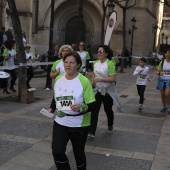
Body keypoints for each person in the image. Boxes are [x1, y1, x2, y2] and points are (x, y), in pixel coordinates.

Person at [49, 51, 95, 170]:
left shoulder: (84, 81)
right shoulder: (58, 79)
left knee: (78, 154)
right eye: (66, 62)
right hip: (60, 122)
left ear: (78, 65)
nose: (68, 65)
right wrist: (51, 108)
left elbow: (92, 105)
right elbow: (56, 97)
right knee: (57, 151)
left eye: (72, 63)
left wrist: (81, 107)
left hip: (79, 124)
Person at [88, 45, 117, 138]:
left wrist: (100, 80)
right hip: (98, 91)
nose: (99, 53)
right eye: (98, 51)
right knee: (94, 110)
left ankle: (110, 124)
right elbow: (93, 74)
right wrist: (93, 81)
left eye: (101, 52)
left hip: (108, 91)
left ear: (106, 53)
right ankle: (92, 132)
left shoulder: (110, 64)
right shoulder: (95, 63)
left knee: (107, 109)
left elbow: (112, 78)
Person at [156, 48, 170, 113]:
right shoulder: (162, 62)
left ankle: (168, 107)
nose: (168, 54)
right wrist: (159, 73)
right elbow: (157, 71)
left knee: (167, 94)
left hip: (169, 80)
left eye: (169, 53)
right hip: (162, 79)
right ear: (165, 54)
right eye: (166, 53)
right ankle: (164, 107)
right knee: (162, 95)